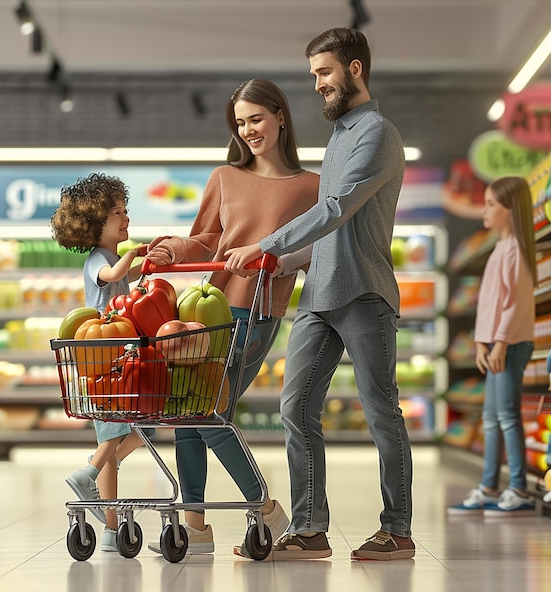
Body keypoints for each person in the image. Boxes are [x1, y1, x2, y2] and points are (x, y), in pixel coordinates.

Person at [225, 27, 414, 561]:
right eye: (313, 75)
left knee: (381, 411)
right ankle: (310, 528)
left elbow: (336, 211)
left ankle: (396, 530)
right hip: (318, 297)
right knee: (296, 406)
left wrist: (267, 241)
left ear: (355, 69)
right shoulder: (337, 138)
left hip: (363, 294)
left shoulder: (375, 133)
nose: (317, 85)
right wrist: (279, 260)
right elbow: (329, 234)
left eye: (324, 72)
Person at [144, 78, 320, 555]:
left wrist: (278, 257)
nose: (248, 131)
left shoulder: (312, 187)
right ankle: (196, 527)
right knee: (188, 410)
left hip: (259, 309)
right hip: (205, 307)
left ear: (280, 116)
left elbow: (316, 250)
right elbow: (203, 238)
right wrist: (169, 250)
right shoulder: (225, 177)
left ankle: (261, 505)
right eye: (240, 123)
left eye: (256, 119)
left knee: (204, 408)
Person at [50, 172, 148, 552]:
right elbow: (111, 276)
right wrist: (132, 257)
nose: (125, 219)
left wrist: (146, 265)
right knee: (125, 431)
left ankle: (109, 528)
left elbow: (127, 281)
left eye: (125, 211)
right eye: (117, 213)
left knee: (121, 435)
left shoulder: (111, 255)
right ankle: (87, 472)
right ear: (94, 223)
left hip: (118, 353)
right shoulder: (99, 259)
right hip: (103, 357)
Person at [448, 176, 537, 516]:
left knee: (507, 416)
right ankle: (488, 486)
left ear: (511, 210)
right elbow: (491, 304)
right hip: (499, 344)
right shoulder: (501, 247)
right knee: (491, 418)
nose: (483, 211)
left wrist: (498, 344)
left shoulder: (514, 251)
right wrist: (482, 344)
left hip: (511, 345)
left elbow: (513, 305)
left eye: (490, 205)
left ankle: (517, 488)